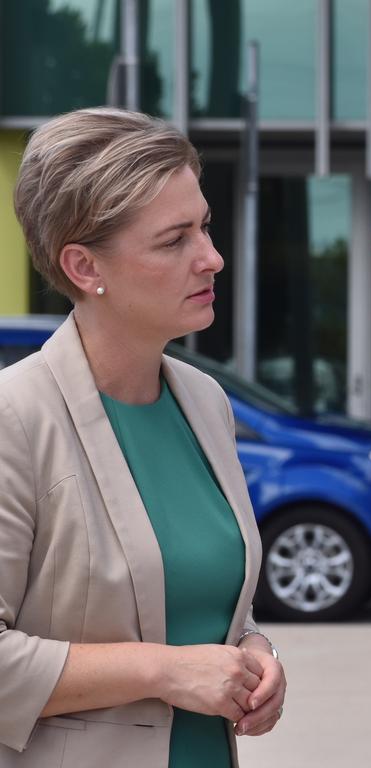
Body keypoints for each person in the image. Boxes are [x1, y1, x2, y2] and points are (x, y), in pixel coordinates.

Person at [0, 108, 286, 767]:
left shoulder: (205, 403)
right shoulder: (16, 419)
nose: (211, 257)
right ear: (82, 265)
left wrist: (254, 653)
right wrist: (162, 671)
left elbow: (192, 610)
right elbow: (168, 656)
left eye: (205, 227)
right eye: (173, 239)